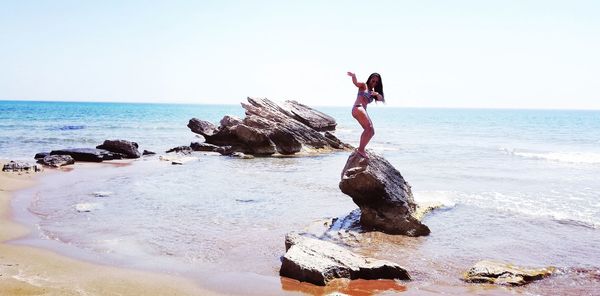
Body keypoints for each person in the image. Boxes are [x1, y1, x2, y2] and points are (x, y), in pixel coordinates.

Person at [347, 72, 385, 159]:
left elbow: (381, 99)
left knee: (371, 131)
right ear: (370, 78)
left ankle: (361, 148)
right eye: (373, 80)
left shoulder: (373, 92)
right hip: (358, 108)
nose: (374, 82)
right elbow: (356, 83)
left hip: (361, 110)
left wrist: (377, 94)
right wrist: (354, 76)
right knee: (369, 128)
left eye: (376, 82)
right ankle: (361, 150)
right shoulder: (364, 85)